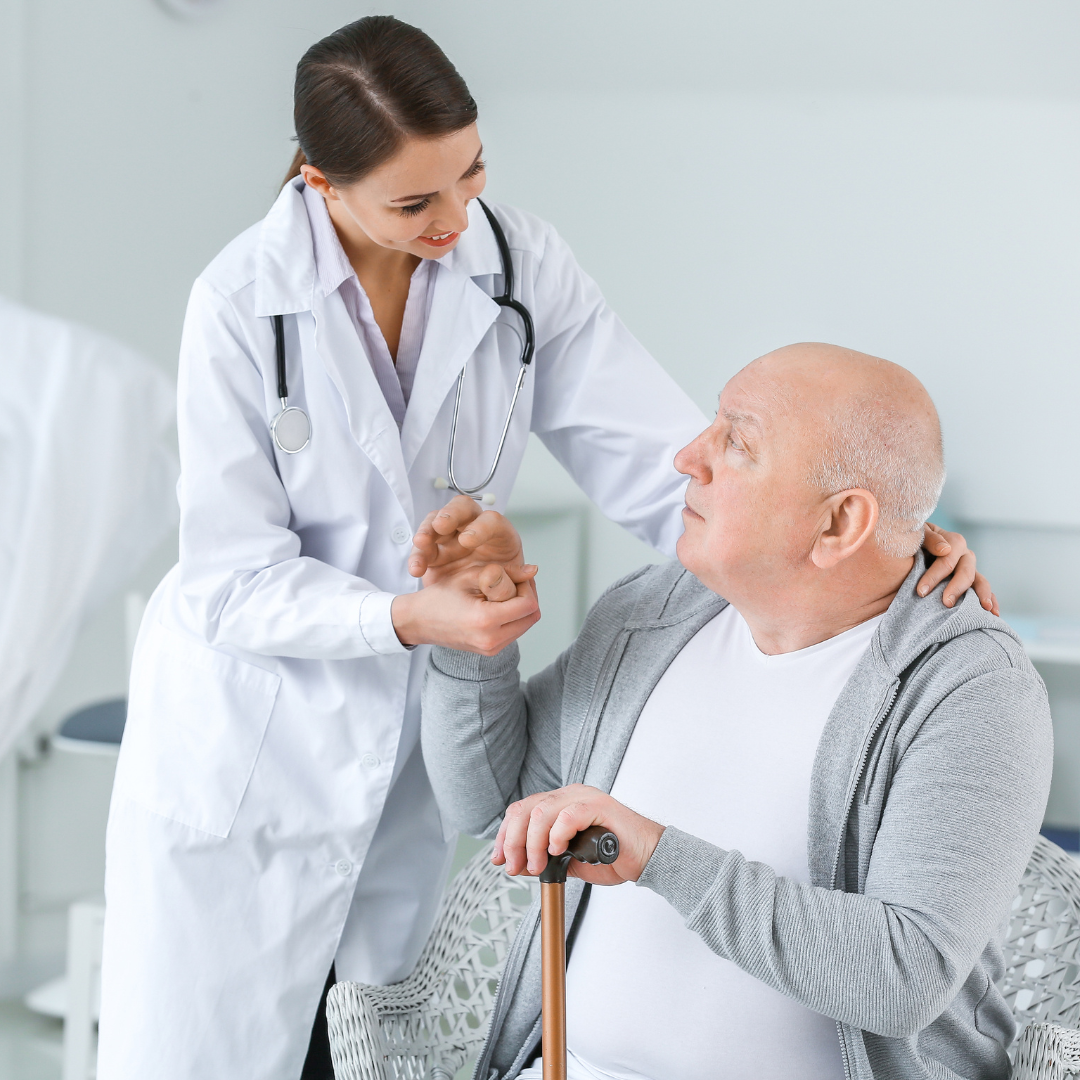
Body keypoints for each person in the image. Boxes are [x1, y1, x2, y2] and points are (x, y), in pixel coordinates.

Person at [96, 13, 993, 1079]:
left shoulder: (518, 267)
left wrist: (877, 543)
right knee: (209, 1052)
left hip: (413, 735)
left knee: (368, 1043)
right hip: (254, 740)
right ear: (321, 185)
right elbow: (230, 581)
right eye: (416, 202)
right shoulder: (242, 306)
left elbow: (673, 464)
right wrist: (406, 616)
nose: (456, 218)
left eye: (472, 174)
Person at [422, 343, 1052, 1080]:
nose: (688, 457)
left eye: (736, 442)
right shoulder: (649, 615)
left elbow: (901, 975)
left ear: (841, 524)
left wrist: (655, 854)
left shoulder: (968, 688)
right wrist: (471, 638)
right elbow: (490, 805)